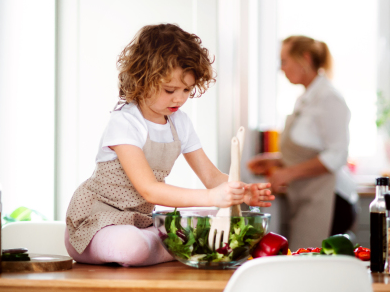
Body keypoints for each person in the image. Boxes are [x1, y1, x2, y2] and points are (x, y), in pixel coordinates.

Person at [65, 24, 274, 267]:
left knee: (182, 229)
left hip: (140, 221)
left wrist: (240, 191)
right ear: (143, 78)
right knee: (132, 246)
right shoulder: (125, 122)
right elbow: (149, 190)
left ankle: (163, 244)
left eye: (187, 89)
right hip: (96, 224)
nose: (180, 98)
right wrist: (211, 197)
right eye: (170, 90)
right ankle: (171, 247)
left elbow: (211, 176)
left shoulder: (180, 123)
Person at [248, 36, 357, 249]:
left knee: (312, 265)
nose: (282, 69)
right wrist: (276, 161)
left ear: (305, 58)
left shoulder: (329, 98)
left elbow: (336, 155)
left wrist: (287, 173)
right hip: (307, 198)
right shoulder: (307, 97)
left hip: (330, 201)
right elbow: (311, 149)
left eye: (285, 61)